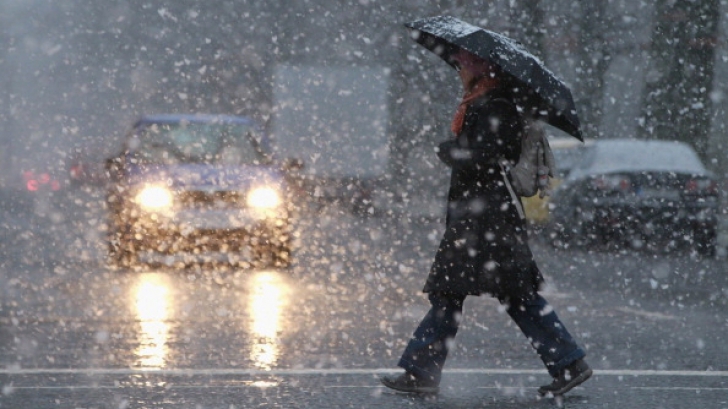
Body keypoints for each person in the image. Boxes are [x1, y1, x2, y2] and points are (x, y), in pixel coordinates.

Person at [380, 47, 592, 397]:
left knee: (501, 294)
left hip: (489, 218)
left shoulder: (497, 105)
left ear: (482, 68)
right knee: (463, 294)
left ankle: (568, 362)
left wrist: (453, 152)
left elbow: (490, 156)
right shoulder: (485, 102)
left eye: (465, 62)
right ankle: (422, 372)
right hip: (480, 217)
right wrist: (459, 150)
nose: (460, 67)